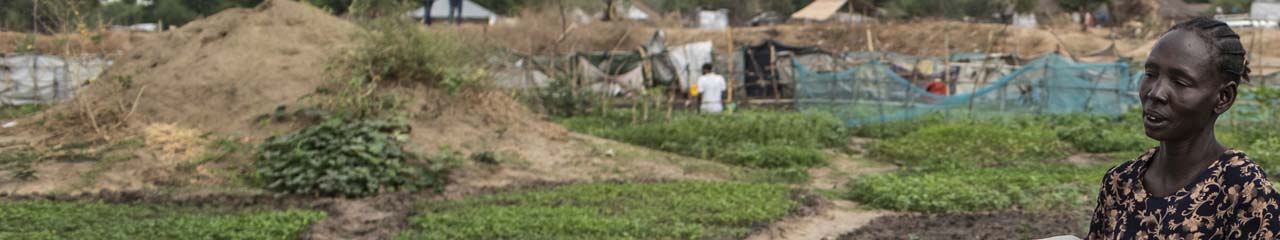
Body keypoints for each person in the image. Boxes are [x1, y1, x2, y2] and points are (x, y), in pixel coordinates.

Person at [1087, 17, 1280, 239]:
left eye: (1180, 82)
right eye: (1150, 74)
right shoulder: (1119, 183)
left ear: (1223, 97)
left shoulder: (1243, 190)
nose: (1155, 93)